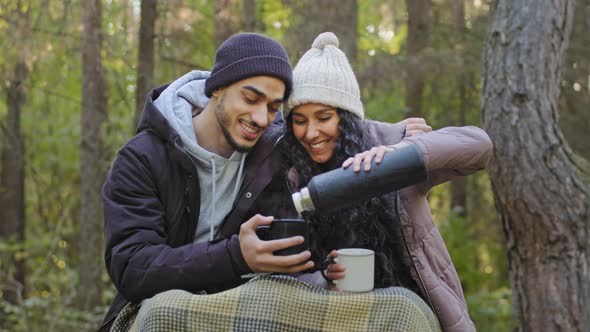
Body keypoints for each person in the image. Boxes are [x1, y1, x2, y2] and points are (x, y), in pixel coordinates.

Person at [253, 32, 493, 331]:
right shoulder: (294, 175)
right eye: (300, 121)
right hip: (344, 317)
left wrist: (399, 153)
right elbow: (291, 265)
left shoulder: (387, 153)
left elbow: (479, 146)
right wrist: (324, 276)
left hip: (416, 312)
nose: (311, 133)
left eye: (323, 117)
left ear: (346, 116)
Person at [100, 33, 315, 331]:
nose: (261, 118)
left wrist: (397, 137)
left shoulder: (275, 150)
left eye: (273, 107)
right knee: (164, 312)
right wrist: (235, 256)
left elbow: (334, 131)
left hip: (247, 308)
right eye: (250, 99)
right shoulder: (142, 158)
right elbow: (133, 266)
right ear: (217, 88)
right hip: (155, 312)